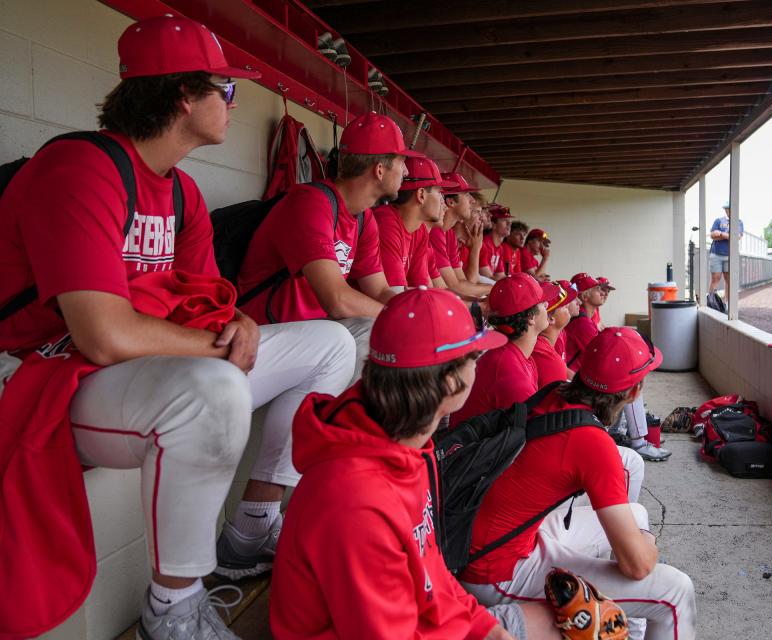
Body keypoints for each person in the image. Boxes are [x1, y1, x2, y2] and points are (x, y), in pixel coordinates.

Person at [0, 15, 356, 639]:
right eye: (227, 90)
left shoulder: (183, 192)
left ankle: (252, 525)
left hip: (130, 373)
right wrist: (216, 345)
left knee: (327, 345)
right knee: (211, 387)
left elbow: (203, 302)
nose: (232, 104)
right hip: (44, 376)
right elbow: (102, 334)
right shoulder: (80, 168)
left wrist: (237, 322)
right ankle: (174, 607)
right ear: (183, 96)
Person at [270, 287, 561, 639]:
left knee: (567, 622)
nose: (479, 366)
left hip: (420, 617)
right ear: (451, 383)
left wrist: (487, 629)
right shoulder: (353, 500)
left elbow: (432, 571)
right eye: (475, 357)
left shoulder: (409, 445)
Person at [458, 327, 697, 640]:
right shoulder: (592, 442)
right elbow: (637, 565)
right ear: (634, 392)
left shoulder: (556, 391)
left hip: (502, 537)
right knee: (676, 591)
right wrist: (647, 544)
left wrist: (639, 538)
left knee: (637, 516)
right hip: (496, 570)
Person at [237, 111, 417, 381]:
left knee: (377, 329)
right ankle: (320, 421)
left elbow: (379, 290)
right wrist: (402, 319)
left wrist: (417, 313)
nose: (406, 171)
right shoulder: (310, 202)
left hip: (310, 336)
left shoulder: (364, 217)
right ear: (379, 169)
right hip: (258, 334)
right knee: (364, 332)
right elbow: (337, 300)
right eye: (402, 161)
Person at [566, 274, 670, 462]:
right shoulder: (581, 323)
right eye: (600, 289)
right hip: (579, 379)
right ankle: (638, 442)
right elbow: (604, 357)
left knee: (628, 378)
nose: (605, 293)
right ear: (584, 295)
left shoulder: (589, 316)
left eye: (606, 290)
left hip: (581, 376)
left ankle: (621, 433)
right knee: (629, 380)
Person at [450, 273, 551, 427]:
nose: (548, 306)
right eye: (543, 303)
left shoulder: (517, 355)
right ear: (531, 317)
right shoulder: (511, 373)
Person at [373, 155, 452, 291]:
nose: (443, 202)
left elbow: (423, 289)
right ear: (421, 195)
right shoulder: (386, 222)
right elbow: (396, 294)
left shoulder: (419, 231)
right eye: (439, 193)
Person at [532, 280, 577, 387]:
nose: (568, 307)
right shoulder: (545, 356)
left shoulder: (544, 344)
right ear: (550, 318)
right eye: (565, 305)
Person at [708, 203, 744, 297]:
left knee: (729, 279)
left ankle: (727, 303)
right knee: (715, 278)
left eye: (729, 209)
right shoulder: (718, 221)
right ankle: (712, 302)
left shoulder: (739, 222)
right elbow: (712, 235)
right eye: (726, 209)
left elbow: (737, 237)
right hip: (716, 254)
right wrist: (728, 236)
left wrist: (720, 234)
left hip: (730, 255)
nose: (728, 211)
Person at [479, 205, 512, 281]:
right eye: (504, 220)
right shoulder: (484, 243)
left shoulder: (500, 248)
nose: (509, 224)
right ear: (493, 225)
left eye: (510, 221)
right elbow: (486, 276)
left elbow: (500, 275)